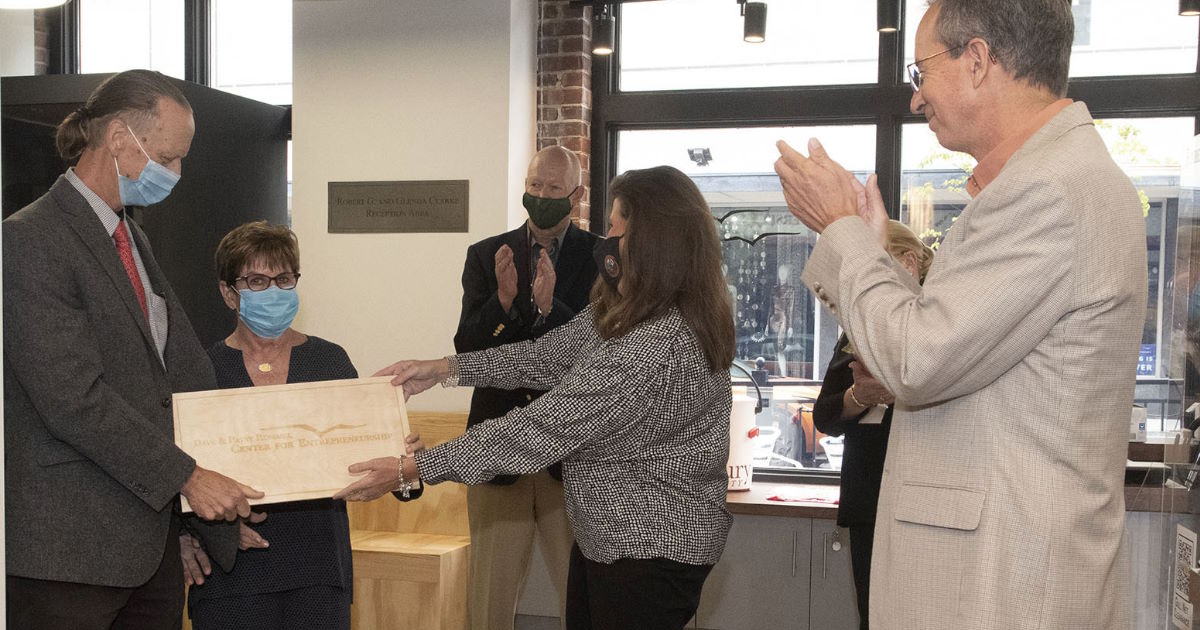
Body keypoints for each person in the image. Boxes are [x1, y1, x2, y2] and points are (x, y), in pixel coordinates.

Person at [773, 0, 1147, 627]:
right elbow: (955, 342)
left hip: (1002, 589)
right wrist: (868, 243)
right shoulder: (1044, 181)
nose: (916, 99)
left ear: (977, 61)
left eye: (921, 73)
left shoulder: (1046, 191)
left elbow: (917, 360)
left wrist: (841, 229)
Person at [337, 165, 736, 630]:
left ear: (649, 242)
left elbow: (541, 428)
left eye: (615, 228)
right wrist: (445, 369)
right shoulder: (639, 312)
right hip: (613, 542)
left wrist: (412, 469)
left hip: (647, 550)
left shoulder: (655, 342)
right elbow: (546, 356)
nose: (605, 241)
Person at [3, 69, 262, 629]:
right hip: (70, 555)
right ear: (120, 139)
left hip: (150, 546)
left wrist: (193, 519)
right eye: (168, 158)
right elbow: (72, 397)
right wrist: (189, 479)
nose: (176, 174)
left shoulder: (131, 236)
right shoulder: (29, 239)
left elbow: (170, 381)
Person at [175, 221, 423, 630]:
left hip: (319, 573)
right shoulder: (200, 371)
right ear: (228, 293)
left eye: (283, 279)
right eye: (257, 280)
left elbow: (382, 469)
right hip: (230, 579)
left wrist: (407, 467)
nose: (273, 291)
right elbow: (176, 476)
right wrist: (189, 536)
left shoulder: (330, 362)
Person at [452, 145, 598, 629]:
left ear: (574, 196)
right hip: (498, 455)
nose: (542, 196)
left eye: (554, 189)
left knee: (584, 599)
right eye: (535, 185)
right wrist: (503, 301)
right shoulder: (487, 254)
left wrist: (553, 307)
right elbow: (469, 352)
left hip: (571, 456)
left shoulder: (600, 259)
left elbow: (600, 356)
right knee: (489, 601)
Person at [811, 220, 933, 630]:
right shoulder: (857, 329)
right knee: (872, 617)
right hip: (869, 498)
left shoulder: (941, 325)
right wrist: (862, 396)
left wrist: (903, 389)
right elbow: (825, 417)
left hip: (925, 501)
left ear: (910, 262)